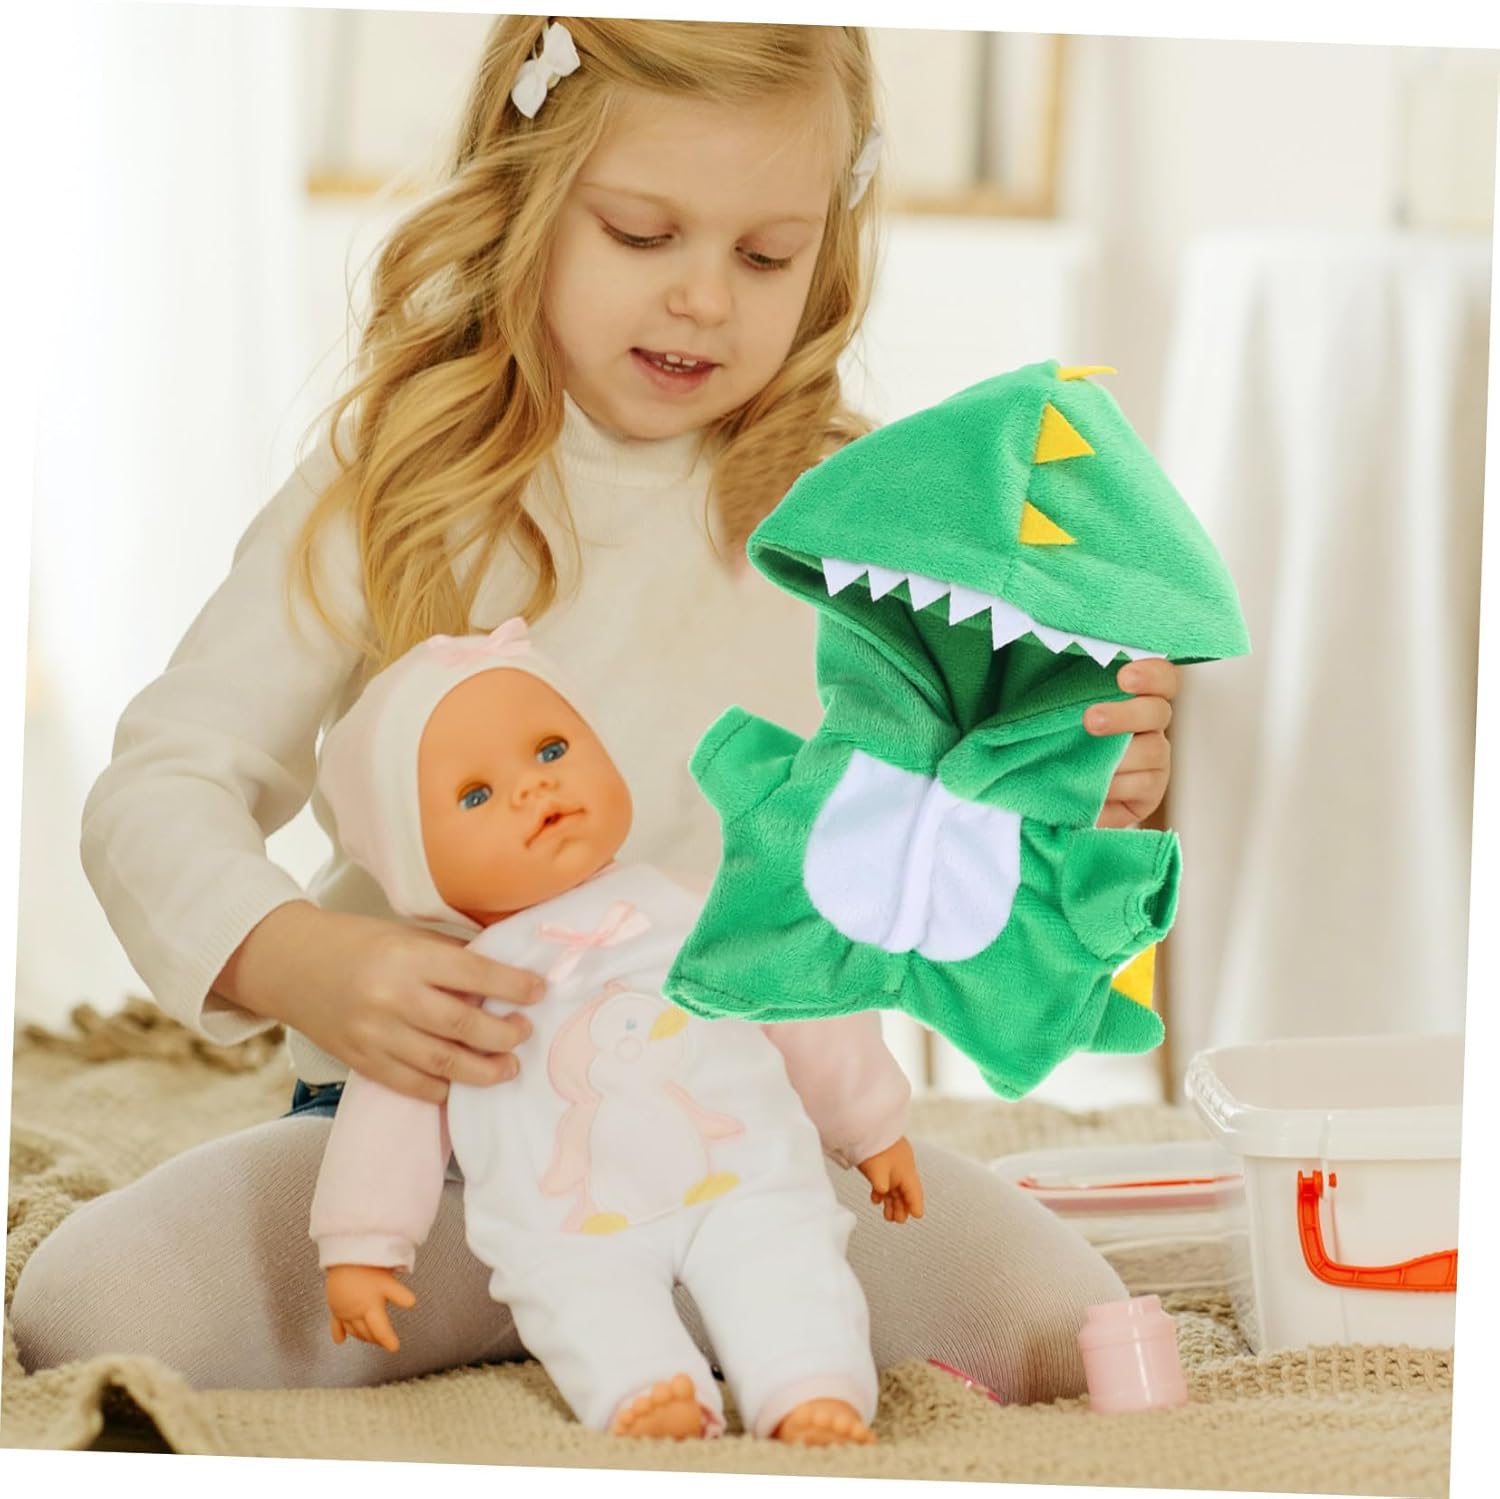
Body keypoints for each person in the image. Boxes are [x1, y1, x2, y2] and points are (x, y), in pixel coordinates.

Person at [12, 18, 1176, 1398]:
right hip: (435, 1155)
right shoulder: (389, 483)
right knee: (97, 1299)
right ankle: (569, 1297)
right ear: (524, 201)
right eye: (641, 233)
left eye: (767, 255)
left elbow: (926, 861)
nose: (704, 298)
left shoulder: (864, 530)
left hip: (744, 1141)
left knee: (1056, 1316)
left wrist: (1066, 792)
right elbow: (159, 788)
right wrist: (305, 959)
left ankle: (662, 1303)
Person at [312, 619, 921, 1444]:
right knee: (578, 1296)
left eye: (552, 749)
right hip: (570, 1223)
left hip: (745, 1176)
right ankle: (644, 1390)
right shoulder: (446, 990)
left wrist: (872, 1123)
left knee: (787, 1260)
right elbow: (391, 1108)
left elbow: (802, 1002)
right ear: (413, 868)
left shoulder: (695, 903)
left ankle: (810, 1387)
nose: (532, 787)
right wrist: (362, 1240)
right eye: (476, 795)